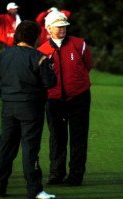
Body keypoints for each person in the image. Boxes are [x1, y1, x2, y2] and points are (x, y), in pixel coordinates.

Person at [0, 20, 57, 199]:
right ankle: (34, 189)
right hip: (31, 107)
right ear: (35, 37)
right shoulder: (39, 57)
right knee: (30, 148)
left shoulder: (2, 55)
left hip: (9, 107)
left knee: (5, 146)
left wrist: (7, 96)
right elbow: (50, 82)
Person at [38, 11, 93, 186]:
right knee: (57, 137)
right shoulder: (41, 50)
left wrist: (75, 84)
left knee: (78, 137)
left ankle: (76, 176)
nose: (62, 29)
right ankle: (56, 174)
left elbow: (87, 65)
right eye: (58, 26)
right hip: (53, 100)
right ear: (48, 28)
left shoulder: (80, 44)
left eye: (64, 26)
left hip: (79, 97)